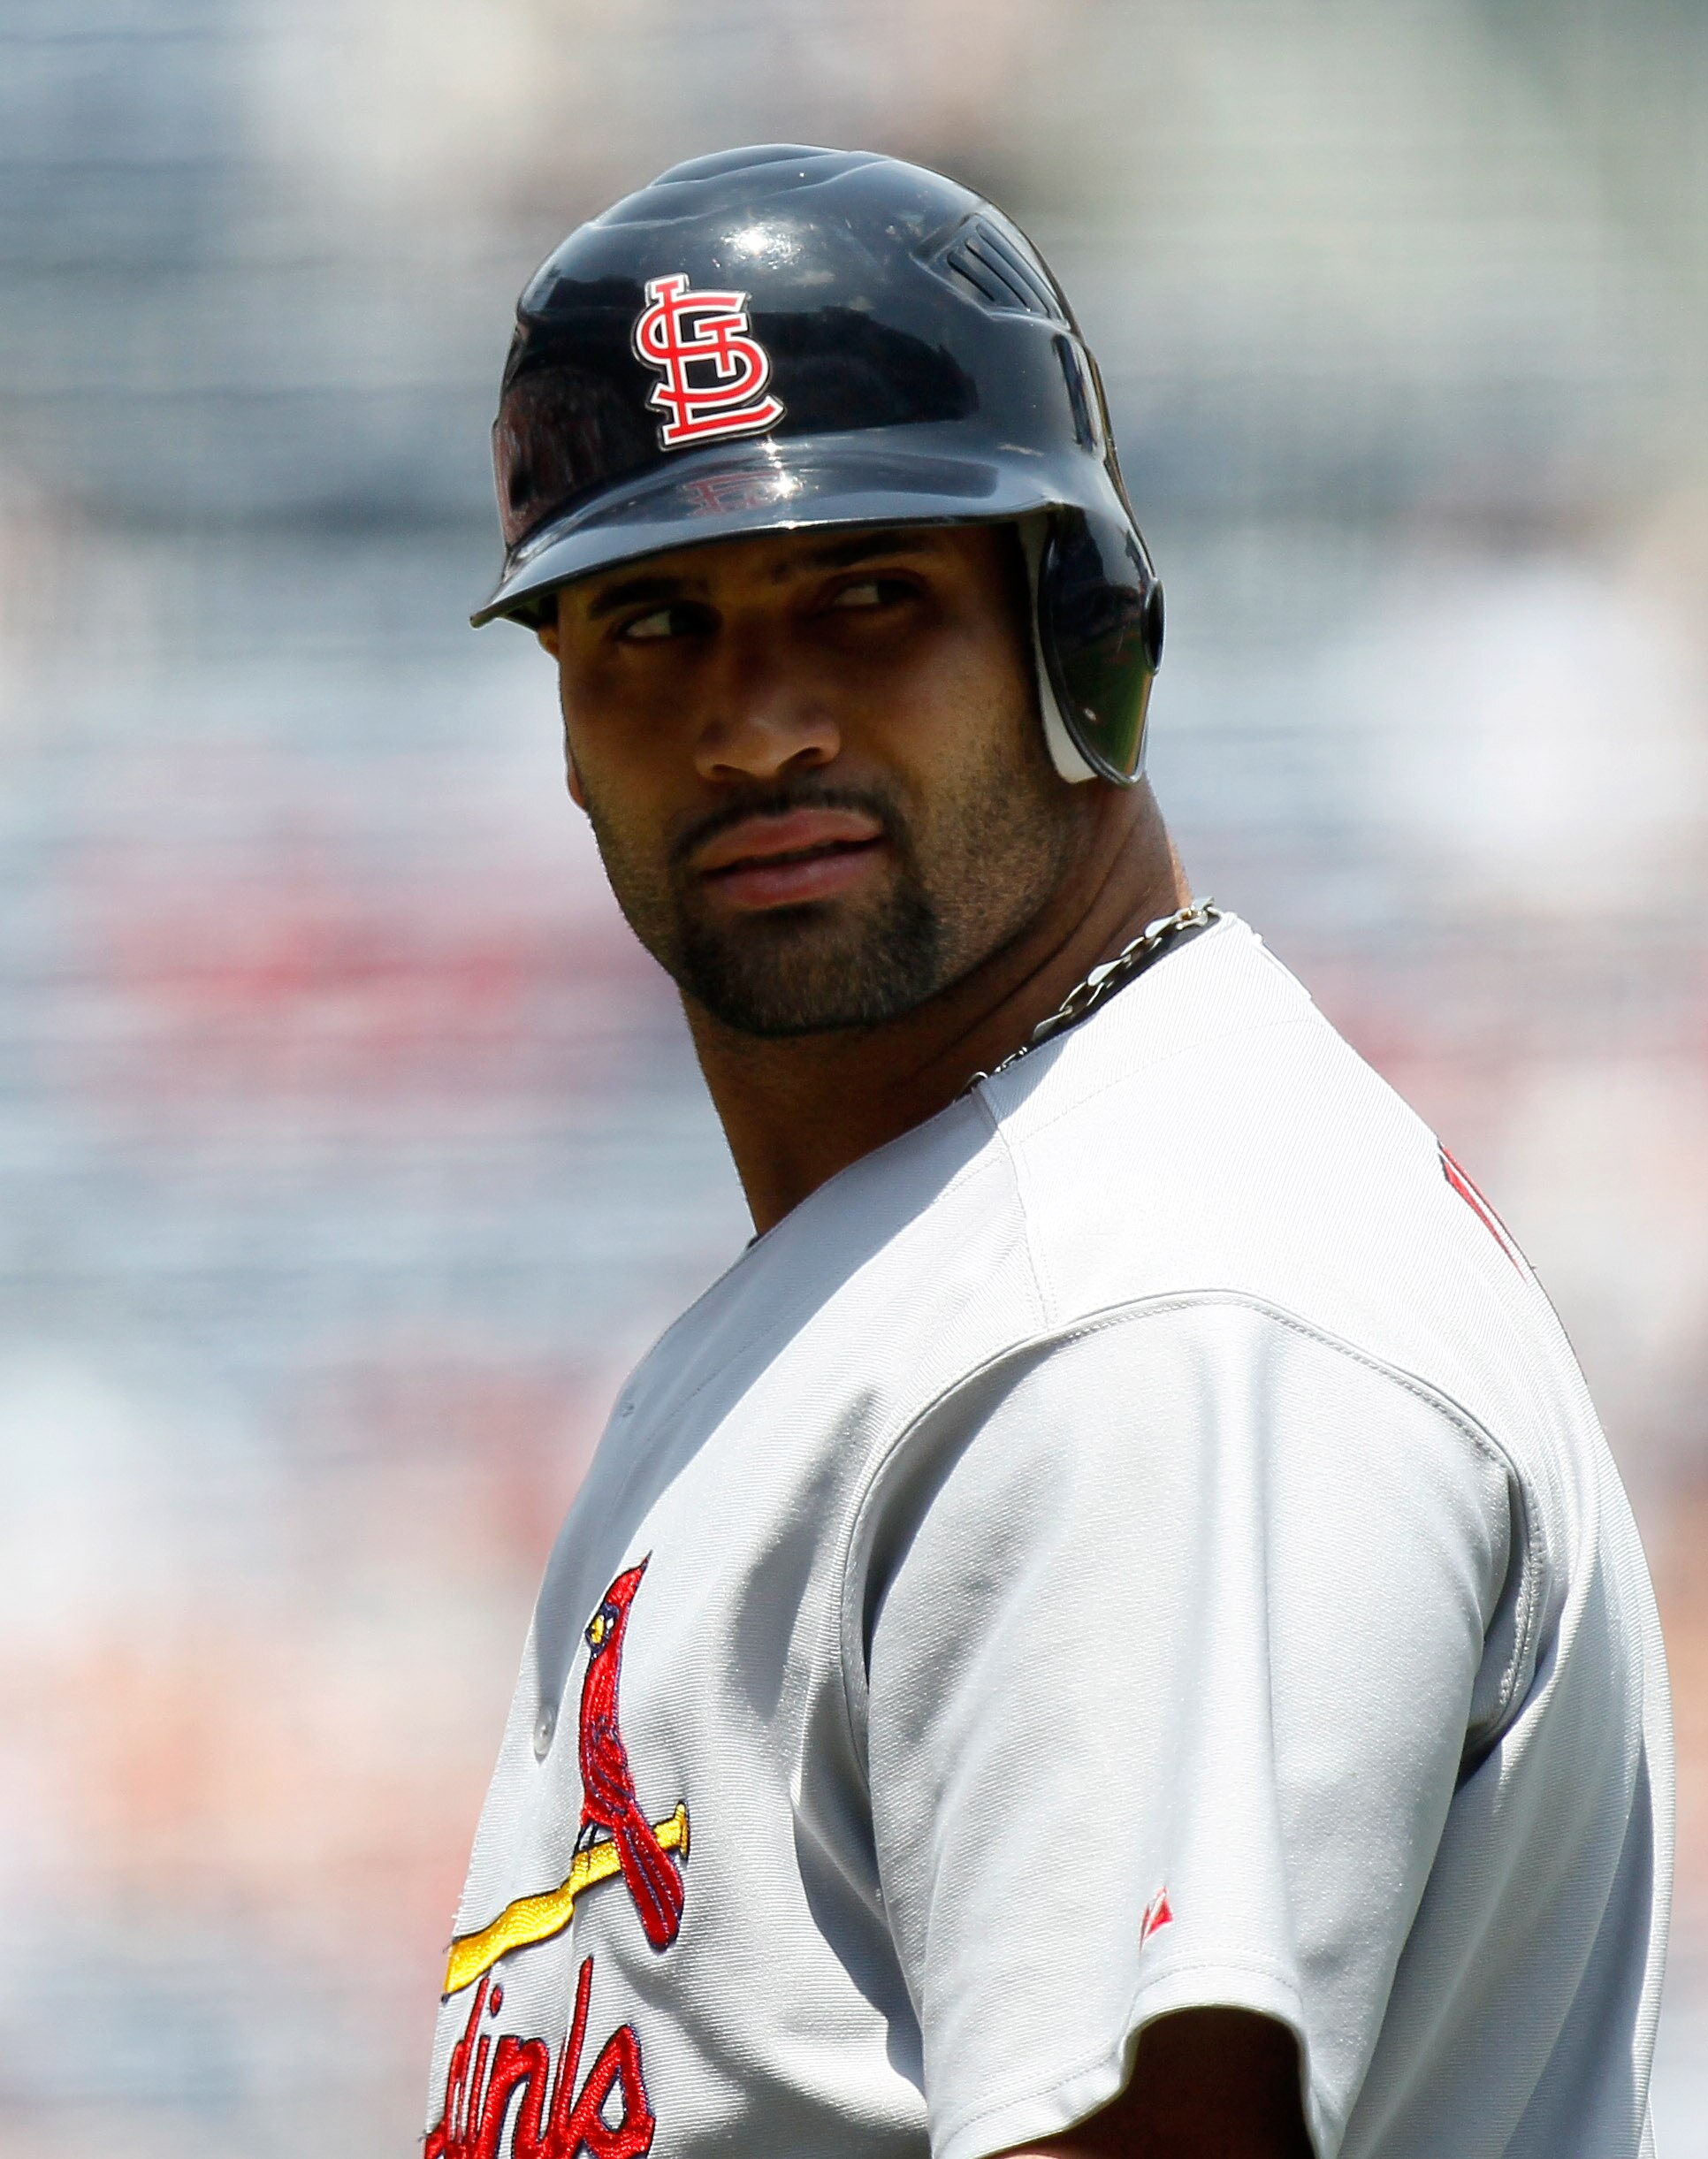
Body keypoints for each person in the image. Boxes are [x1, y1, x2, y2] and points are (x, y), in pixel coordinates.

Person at [422, 146, 1672, 2159]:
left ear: (1084, 639)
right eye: (653, 619)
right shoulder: (939, 1264)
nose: (757, 726)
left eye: (867, 596)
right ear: (565, 714)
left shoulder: (1146, 1318)